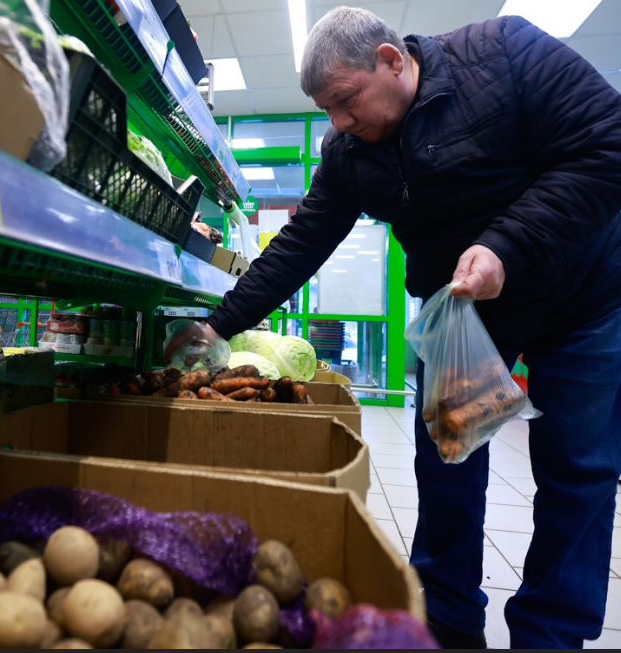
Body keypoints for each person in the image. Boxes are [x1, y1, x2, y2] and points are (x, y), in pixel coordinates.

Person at [165, 6, 621, 649]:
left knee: (578, 471)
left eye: (347, 101)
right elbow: (301, 243)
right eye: (328, 110)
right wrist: (218, 325)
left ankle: (551, 634)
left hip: (585, 295)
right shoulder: (350, 149)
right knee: (447, 467)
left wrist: (506, 245)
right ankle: (447, 618)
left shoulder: (506, 50)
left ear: (390, 59)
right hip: (465, 315)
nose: (340, 123)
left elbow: (607, 144)